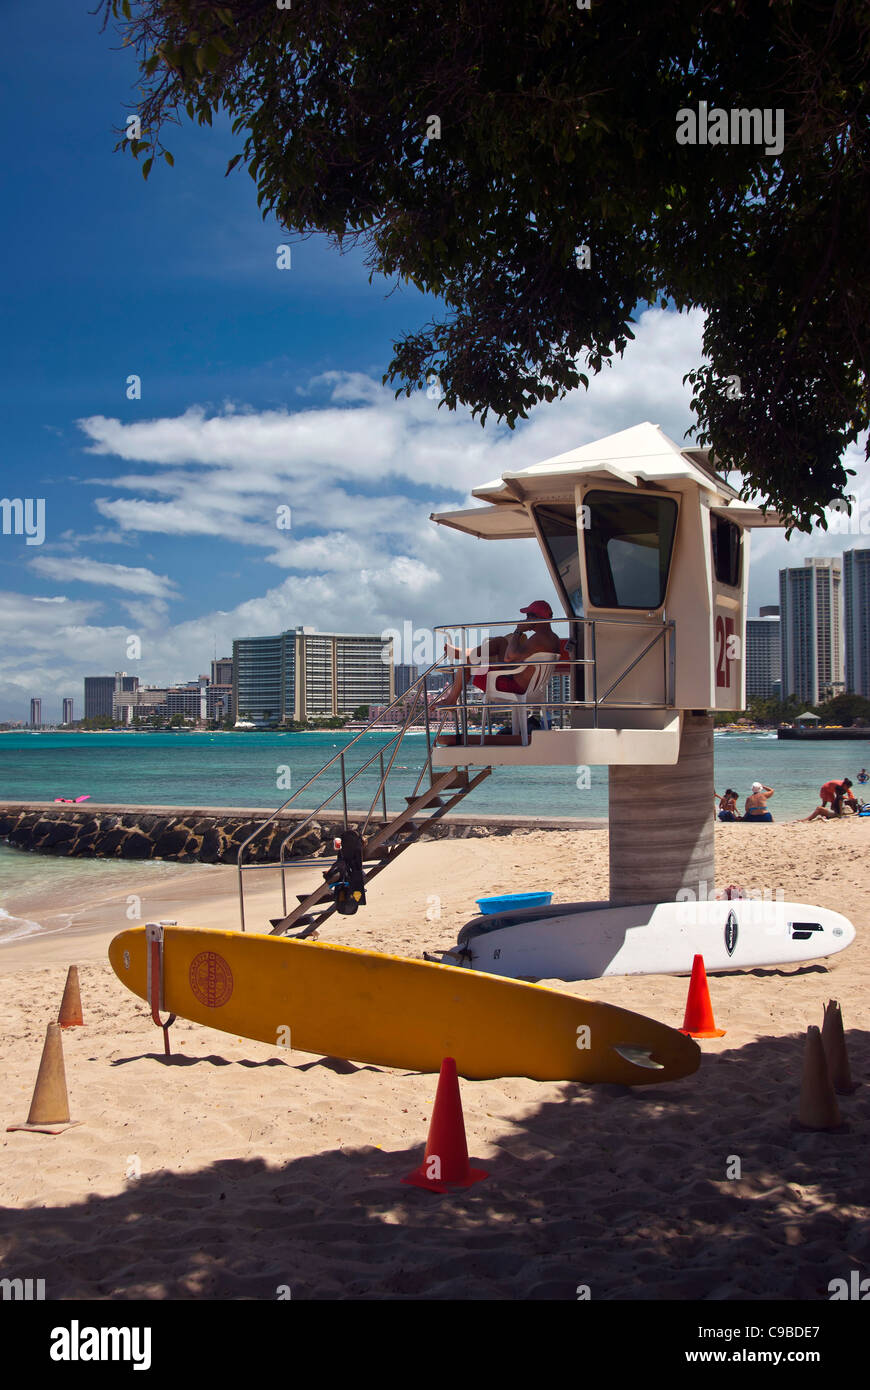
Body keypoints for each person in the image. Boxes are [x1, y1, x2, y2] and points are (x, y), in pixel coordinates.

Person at [432, 600, 561, 709]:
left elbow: (508, 657)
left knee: (467, 662)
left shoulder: (538, 639)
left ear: (536, 618)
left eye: (528, 616)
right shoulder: (553, 638)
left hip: (512, 686)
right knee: (500, 642)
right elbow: (517, 657)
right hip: (528, 685)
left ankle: (451, 698)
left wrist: (518, 631)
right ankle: (464, 652)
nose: (525, 619)